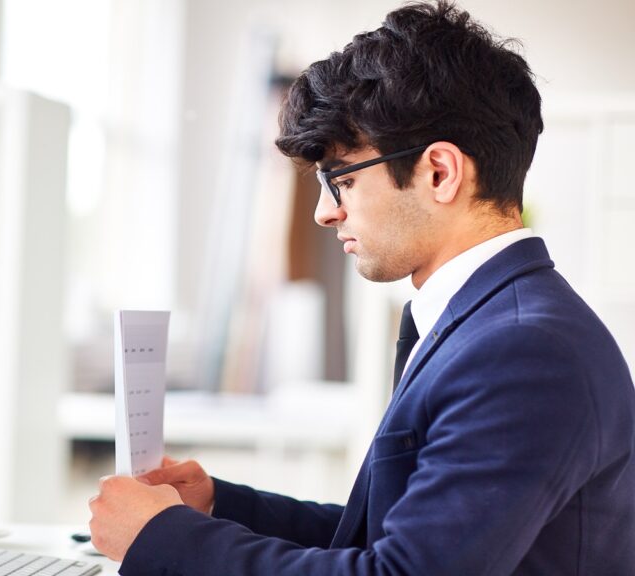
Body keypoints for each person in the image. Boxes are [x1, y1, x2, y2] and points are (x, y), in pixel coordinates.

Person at [87, 1, 635, 574]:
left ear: (439, 173)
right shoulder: (486, 323)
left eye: (341, 180)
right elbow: (394, 537)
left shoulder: (522, 351)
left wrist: (162, 538)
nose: (325, 213)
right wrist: (220, 505)